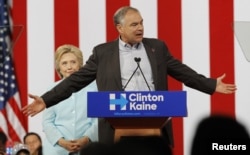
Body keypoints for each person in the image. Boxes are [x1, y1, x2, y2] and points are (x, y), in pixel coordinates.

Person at [22, 6, 237, 146]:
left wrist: (209, 84)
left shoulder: (157, 48)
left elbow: (181, 71)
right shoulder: (102, 53)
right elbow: (75, 81)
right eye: (134, 24)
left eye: (141, 23)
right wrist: (46, 99)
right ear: (119, 28)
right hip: (116, 126)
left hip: (154, 122)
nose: (140, 28)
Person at [42, 44, 98, 155]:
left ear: (80, 65)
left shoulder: (95, 88)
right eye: (64, 63)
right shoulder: (51, 90)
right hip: (56, 149)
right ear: (59, 68)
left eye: (73, 62)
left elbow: (98, 120)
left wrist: (85, 139)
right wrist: (62, 142)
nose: (69, 67)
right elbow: (47, 122)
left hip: (87, 148)